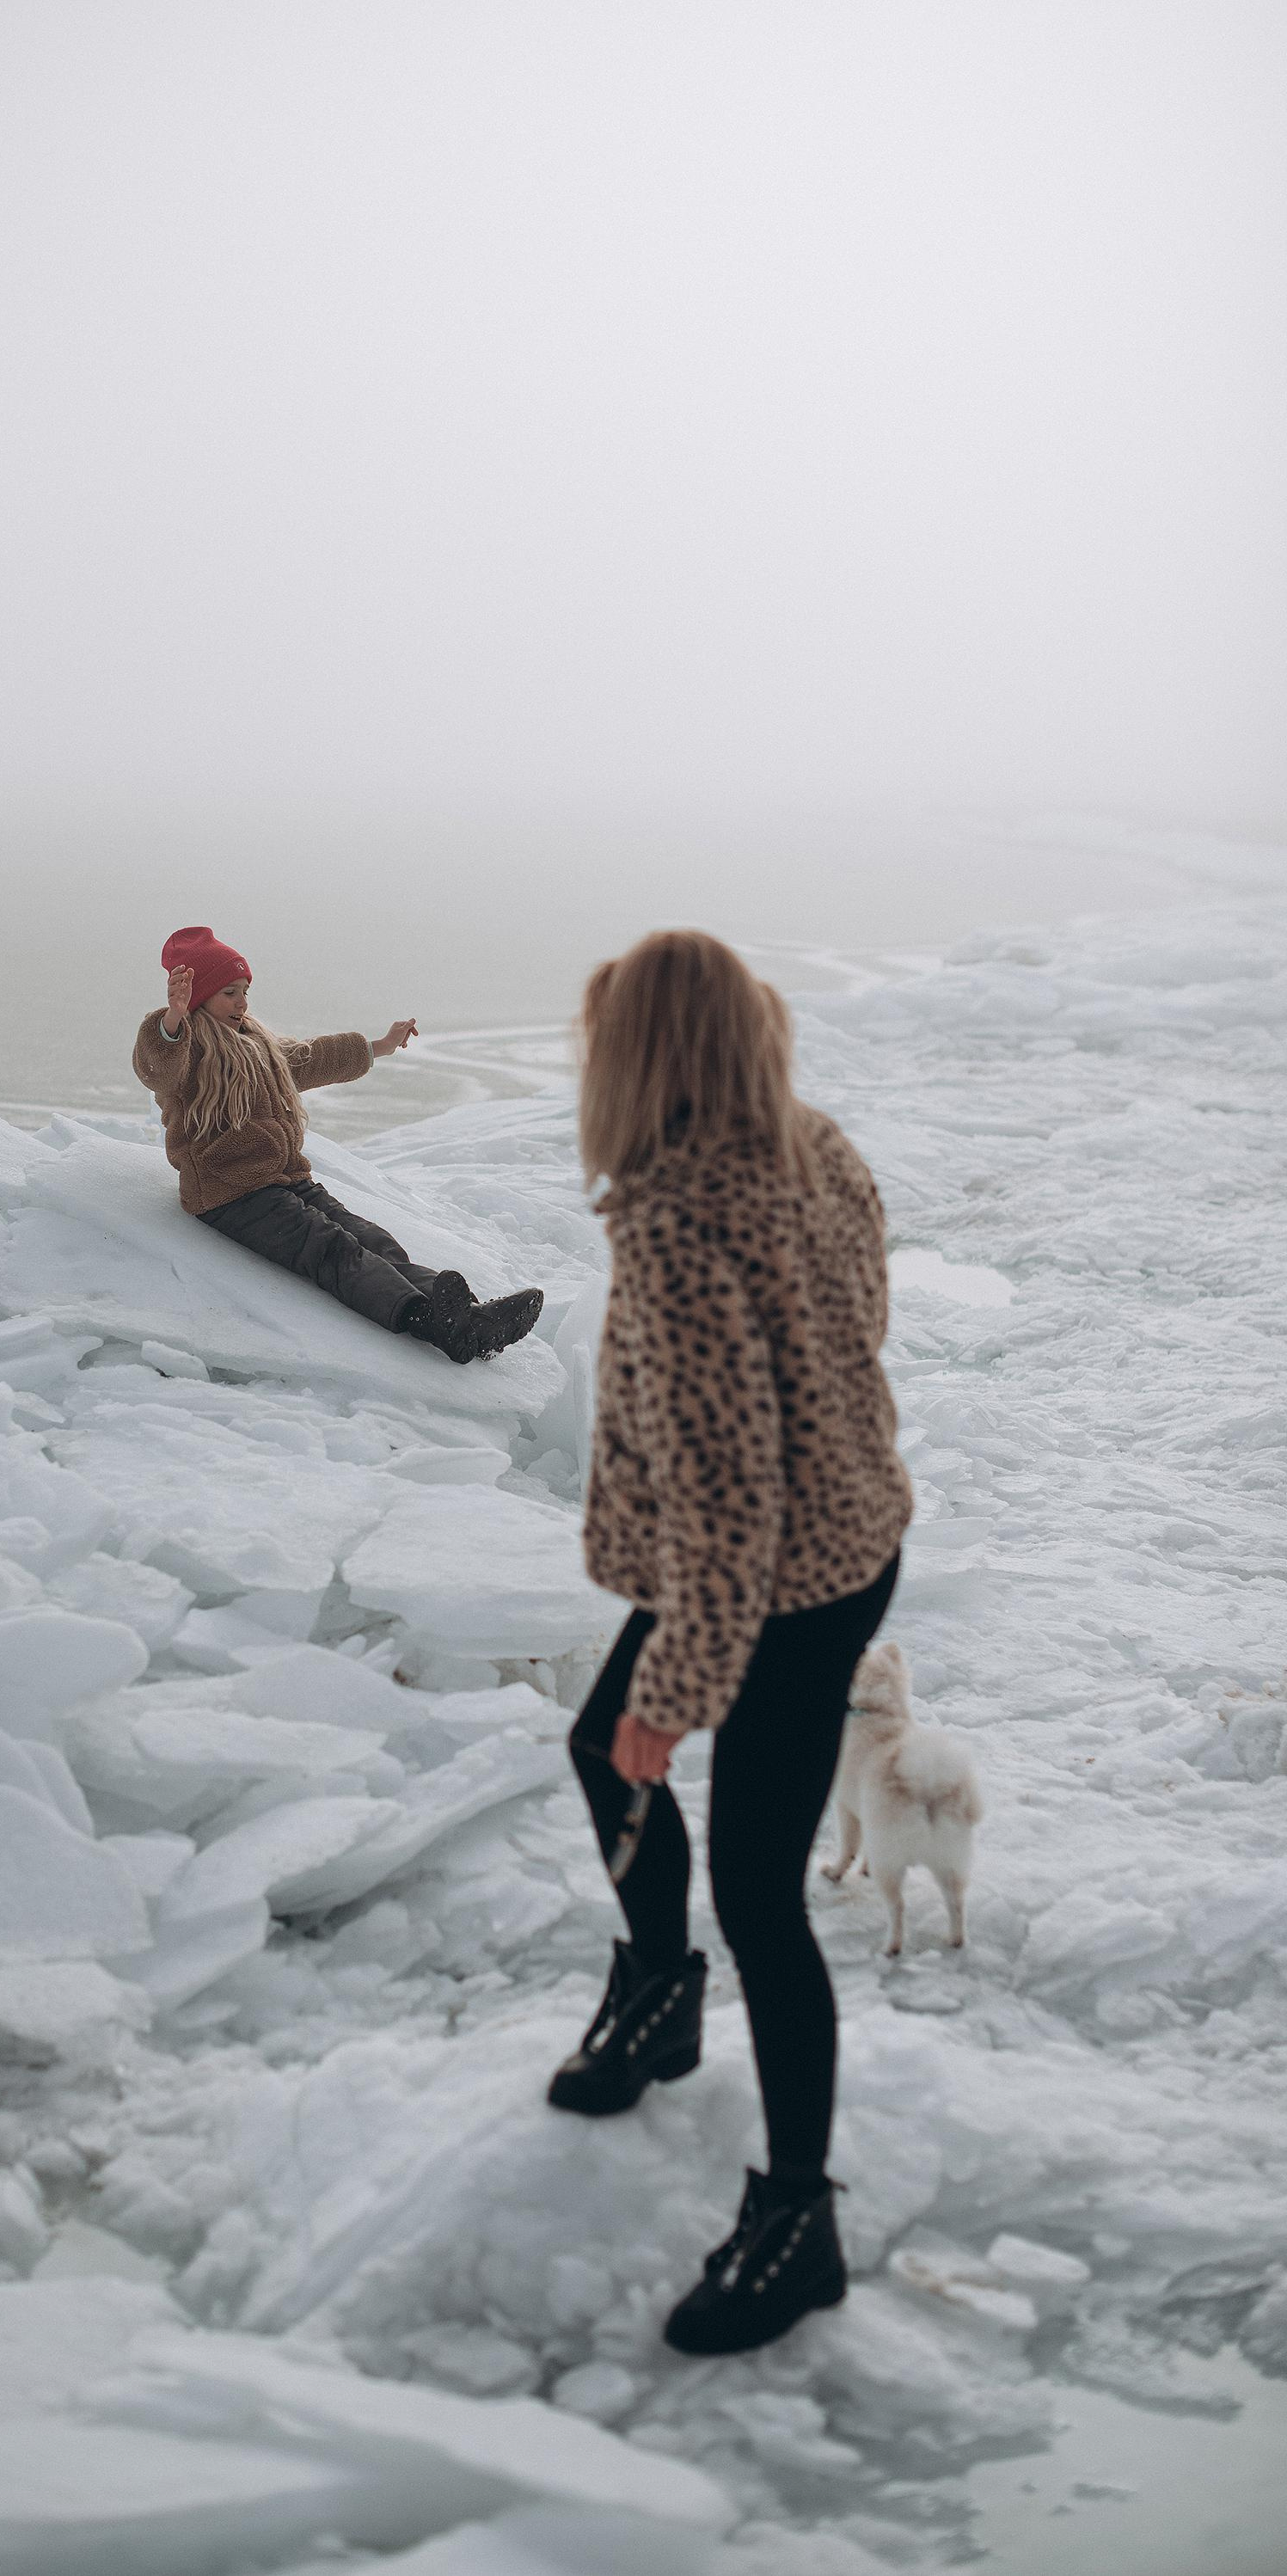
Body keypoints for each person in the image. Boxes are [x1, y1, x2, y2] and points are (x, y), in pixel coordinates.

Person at [549, 929, 913, 2356]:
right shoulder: (812, 1143)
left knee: (758, 1893)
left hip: (780, 1582)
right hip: (849, 1538)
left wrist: (677, 1690)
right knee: (599, 1749)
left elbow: (724, 1495)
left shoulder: (680, 1223)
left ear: (641, 1057)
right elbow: (858, 1328)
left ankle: (798, 2221)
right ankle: (658, 1995)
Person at [133, 925, 542, 1364]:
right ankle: (431, 1322)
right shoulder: (189, 1051)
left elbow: (314, 1058)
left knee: (371, 1239)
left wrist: (379, 1046)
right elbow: (157, 1066)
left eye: (245, 991)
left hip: (285, 1180)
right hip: (230, 1193)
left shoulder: (256, 1045)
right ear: (199, 997)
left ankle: (468, 1316)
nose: (242, 1003)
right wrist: (173, 1019)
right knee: (331, 1249)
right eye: (230, 992)